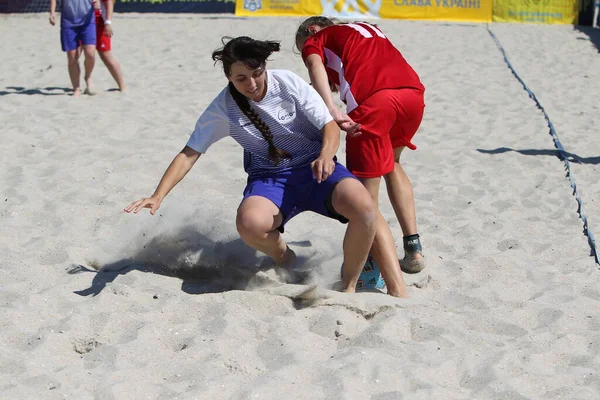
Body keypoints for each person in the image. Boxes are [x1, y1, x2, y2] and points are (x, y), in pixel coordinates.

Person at [124, 36, 408, 298]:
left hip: (316, 169)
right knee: (249, 225)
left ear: (264, 67)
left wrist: (325, 155)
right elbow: (189, 153)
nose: (252, 83)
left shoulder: (286, 82)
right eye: (241, 78)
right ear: (228, 78)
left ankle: (347, 286)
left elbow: (329, 125)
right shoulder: (222, 107)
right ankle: (286, 258)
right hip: (270, 178)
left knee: (365, 207)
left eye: (257, 73)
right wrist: (158, 195)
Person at [295, 17, 427, 274]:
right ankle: (414, 248)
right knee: (392, 163)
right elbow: (348, 70)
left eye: (303, 47)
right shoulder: (366, 28)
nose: (308, 51)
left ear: (312, 30)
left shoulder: (317, 38)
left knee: (364, 198)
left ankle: (374, 267)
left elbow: (314, 64)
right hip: (413, 95)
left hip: (375, 102)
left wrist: (331, 110)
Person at [49, 0, 97, 96]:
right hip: (68, 21)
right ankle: (76, 88)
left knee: (90, 53)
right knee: (72, 56)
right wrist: (52, 12)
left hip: (87, 20)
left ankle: (88, 77)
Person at [93, 0, 127, 91]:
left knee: (105, 55)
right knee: (78, 53)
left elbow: (109, 2)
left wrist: (108, 22)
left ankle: (122, 86)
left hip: (100, 21)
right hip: (81, 22)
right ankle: (83, 84)